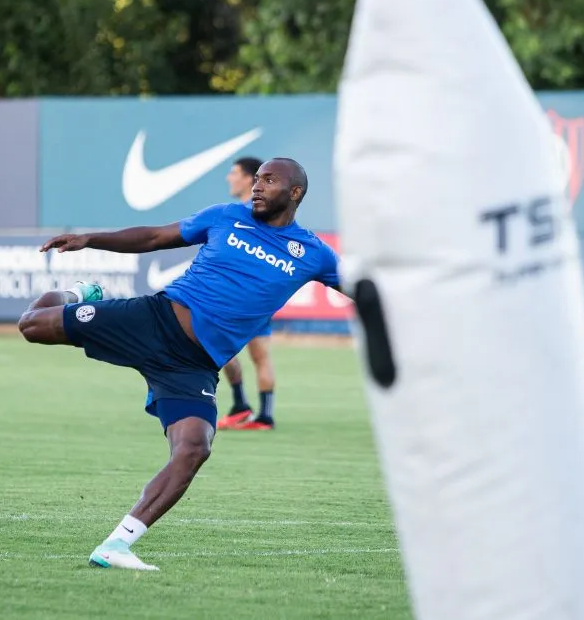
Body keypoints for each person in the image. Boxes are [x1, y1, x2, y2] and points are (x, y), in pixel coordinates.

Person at [17, 158, 341, 571]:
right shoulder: (226, 216)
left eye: (269, 180)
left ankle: (117, 545)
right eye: (256, 179)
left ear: (295, 193)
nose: (257, 186)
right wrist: (90, 239)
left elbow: (364, 292)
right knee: (31, 326)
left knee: (193, 448)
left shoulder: (314, 253)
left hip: (194, 366)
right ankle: (82, 296)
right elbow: (154, 236)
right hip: (156, 322)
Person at [220, 156, 278, 430]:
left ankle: (242, 405)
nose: (229, 178)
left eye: (233, 173)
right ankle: (262, 414)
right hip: (261, 295)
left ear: (248, 178)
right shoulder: (270, 211)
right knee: (259, 355)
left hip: (238, 296)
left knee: (217, 347)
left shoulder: (247, 213)